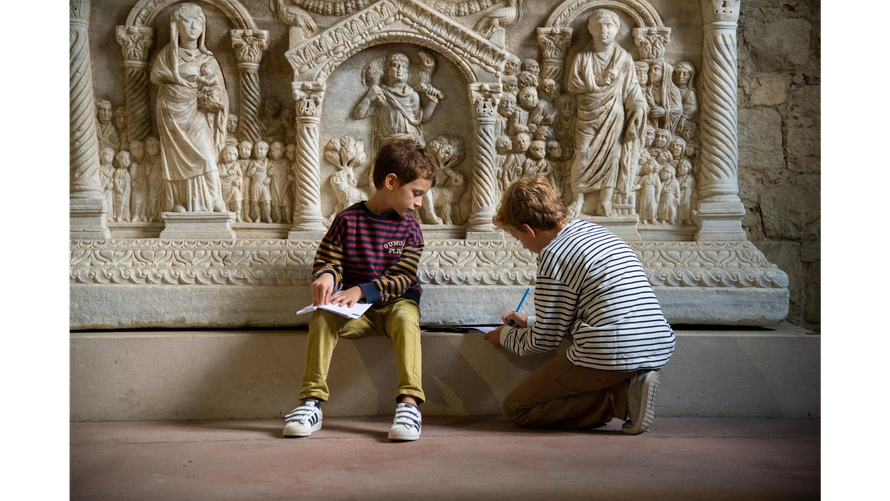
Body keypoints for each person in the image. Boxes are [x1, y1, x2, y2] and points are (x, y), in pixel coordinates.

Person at [483, 177, 675, 434]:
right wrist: (529, 321)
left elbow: (543, 342)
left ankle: (619, 399)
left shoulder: (553, 254)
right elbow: (588, 310)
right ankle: (627, 389)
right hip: (656, 343)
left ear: (529, 230)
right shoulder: (594, 232)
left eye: (518, 239)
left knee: (517, 408)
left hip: (613, 349)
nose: (524, 247)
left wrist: (504, 336)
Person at [284, 138, 437, 441]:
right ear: (391, 182)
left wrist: (361, 290)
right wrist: (327, 276)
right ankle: (311, 403)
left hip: (396, 306)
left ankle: (409, 405)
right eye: (416, 194)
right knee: (322, 317)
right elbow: (329, 259)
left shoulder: (410, 228)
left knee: (408, 318)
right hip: (357, 313)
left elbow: (404, 276)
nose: (419, 203)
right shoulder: (347, 220)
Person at [566, 9, 647, 218]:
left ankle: (605, 201)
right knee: (582, 154)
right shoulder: (582, 57)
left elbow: (632, 89)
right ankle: (578, 199)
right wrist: (595, 84)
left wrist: (638, 107)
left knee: (612, 157)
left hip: (613, 115)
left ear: (617, 30)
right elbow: (573, 85)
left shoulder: (623, 58)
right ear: (591, 29)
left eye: (609, 26)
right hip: (588, 114)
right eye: (599, 26)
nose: (604, 30)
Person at [150, 2, 228, 213]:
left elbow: (219, 91)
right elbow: (155, 76)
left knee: (206, 154)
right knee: (175, 159)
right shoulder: (168, 54)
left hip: (196, 112)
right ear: (176, 26)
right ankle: (178, 202)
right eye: (187, 20)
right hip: (171, 112)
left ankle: (213, 200)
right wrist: (177, 76)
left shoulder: (207, 59)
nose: (193, 26)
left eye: (198, 21)